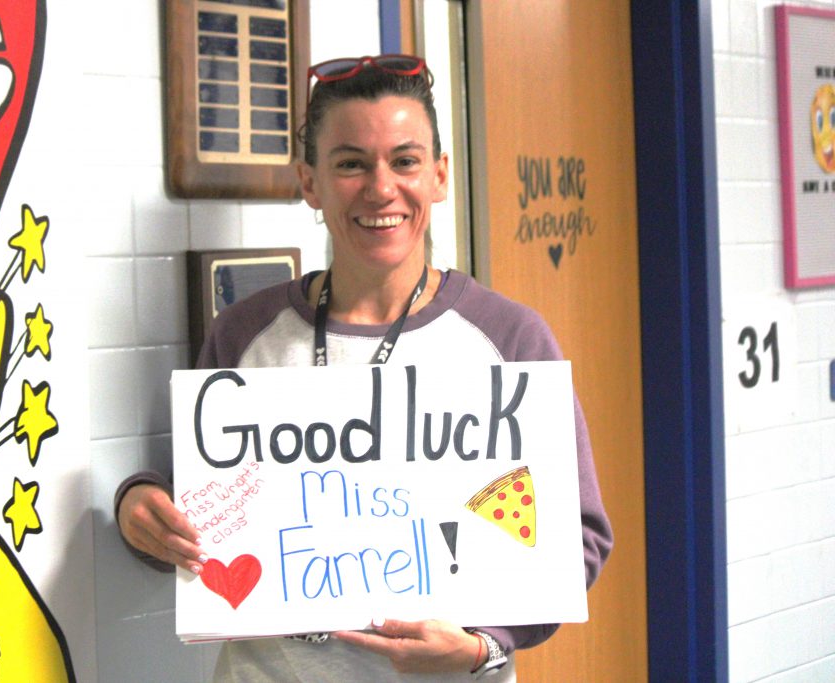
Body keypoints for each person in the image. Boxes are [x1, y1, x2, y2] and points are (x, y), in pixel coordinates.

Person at [115, 54, 613, 682]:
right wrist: (140, 502)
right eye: (350, 163)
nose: (381, 188)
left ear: (439, 175)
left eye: (404, 161)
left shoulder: (510, 338)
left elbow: (578, 537)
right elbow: (200, 501)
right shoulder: (244, 334)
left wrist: (485, 642)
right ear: (310, 183)